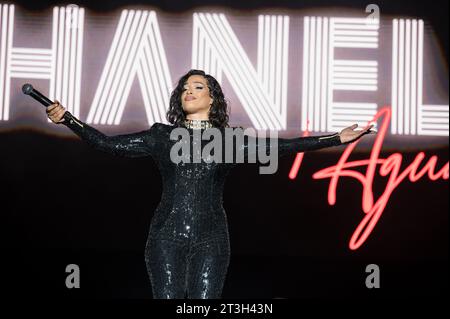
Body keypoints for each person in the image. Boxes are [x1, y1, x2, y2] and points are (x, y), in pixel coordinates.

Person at [46, 69, 375, 299]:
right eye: (185, 87)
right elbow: (107, 144)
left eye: (198, 86)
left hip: (212, 237)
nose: (189, 90)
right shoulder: (161, 136)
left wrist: (334, 138)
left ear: (214, 99)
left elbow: (281, 146)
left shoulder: (227, 141)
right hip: (165, 235)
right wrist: (69, 119)